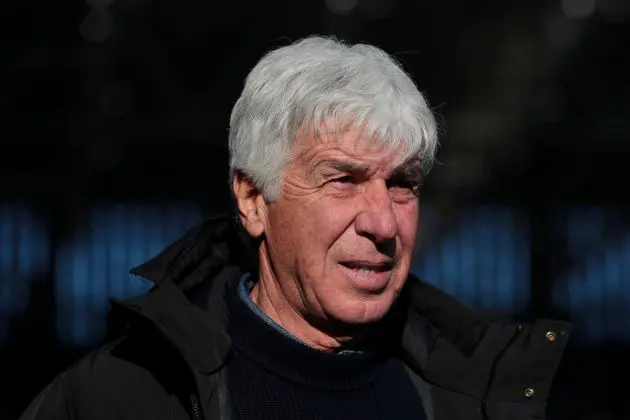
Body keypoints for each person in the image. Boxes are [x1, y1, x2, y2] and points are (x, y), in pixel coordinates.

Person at [20, 36, 570, 420]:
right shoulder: (119, 397)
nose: (382, 222)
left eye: (402, 184)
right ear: (254, 199)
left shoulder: (482, 397)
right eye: (342, 180)